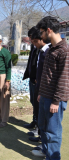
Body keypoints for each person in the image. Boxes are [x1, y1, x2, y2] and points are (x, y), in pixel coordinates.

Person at [31, 16, 69, 160]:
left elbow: (64, 79)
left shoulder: (64, 50)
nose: (41, 36)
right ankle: (46, 151)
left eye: (42, 32)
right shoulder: (51, 49)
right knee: (43, 126)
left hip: (55, 99)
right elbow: (47, 75)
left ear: (48, 30)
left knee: (53, 131)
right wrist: (41, 92)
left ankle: (53, 157)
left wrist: (56, 101)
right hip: (45, 96)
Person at [28, 28, 50, 144]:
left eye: (35, 41)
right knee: (38, 111)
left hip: (45, 91)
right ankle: (40, 137)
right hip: (38, 86)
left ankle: (45, 145)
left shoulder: (48, 52)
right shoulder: (40, 50)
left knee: (47, 121)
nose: (33, 44)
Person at [22, 26, 40, 129]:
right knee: (33, 101)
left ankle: (38, 125)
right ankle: (34, 121)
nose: (30, 40)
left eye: (31, 37)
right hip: (31, 79)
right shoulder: (33, 47)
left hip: (37, 80)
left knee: (37, 103)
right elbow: (30, 62)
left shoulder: (40, 48)